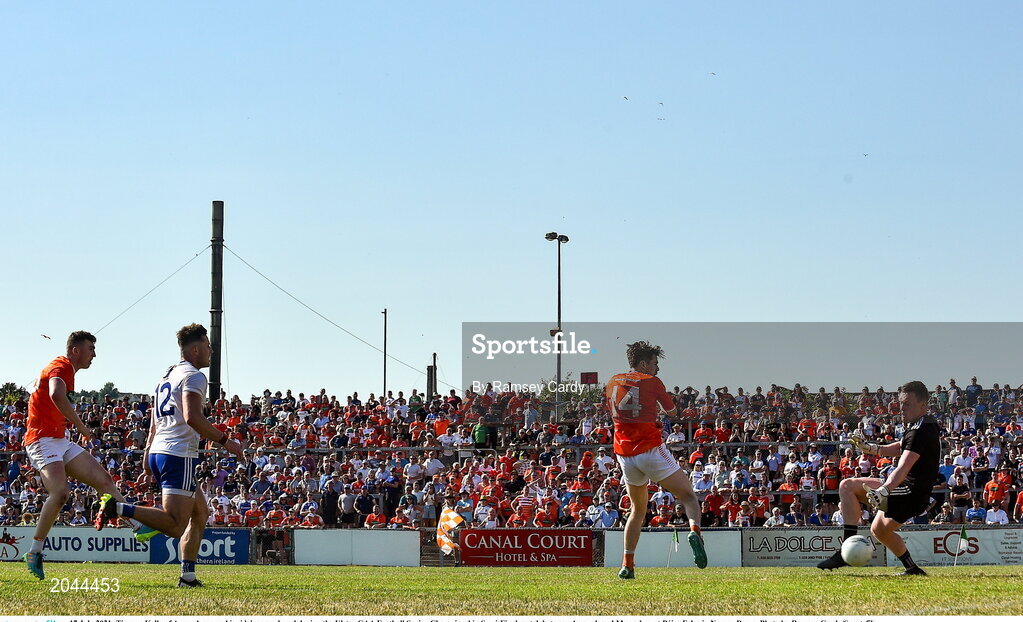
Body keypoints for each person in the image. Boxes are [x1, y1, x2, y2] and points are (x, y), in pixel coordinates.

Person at [95, 324, 242, 588]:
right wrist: (226, 441)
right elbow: (192, 417)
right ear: (195, 349)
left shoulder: (168, 375)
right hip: (178, 454)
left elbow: (154, 421)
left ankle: (188, 576)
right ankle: (118, 508)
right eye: (208, 346)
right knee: (175, 525)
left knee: (200, 512)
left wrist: (147, 455)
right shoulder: (194, 376)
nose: (211, 351)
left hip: (160, 450)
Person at [21, 331, 146, 580]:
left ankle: (135, 525)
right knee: (60, 493)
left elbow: (53, 397)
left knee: (104, 481)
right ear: (76, 350)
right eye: (91, 349)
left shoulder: (62, 366)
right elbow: (56, 394)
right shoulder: (63, 365)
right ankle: (34, 551)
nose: (94, 354)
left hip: (58, 439)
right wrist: (80, 426)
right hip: (41, 439)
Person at [605, 341, 706, 580]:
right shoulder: (652, 381)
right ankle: (695, 532)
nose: (657, 368)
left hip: (624, 454)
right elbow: (672, 411)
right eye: (654, 363)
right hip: (649, 448)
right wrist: (660, 411)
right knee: (689, 496)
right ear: (643, 363)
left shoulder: (611, 381)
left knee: (637, 510)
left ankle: (627, 565)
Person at [818, 381, 939, 575]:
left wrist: (884, 490)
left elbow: (903, 466)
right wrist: (872, 448)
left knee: (847, 486)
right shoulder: (922, 424)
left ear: (923, 405)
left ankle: (844, 552)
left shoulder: (920, 430)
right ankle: (912, 569)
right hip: (913, 493)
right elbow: (902, 446)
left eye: (907, 404)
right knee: (879, 530)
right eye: (900, 404)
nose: (901, 408)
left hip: (909, 493)